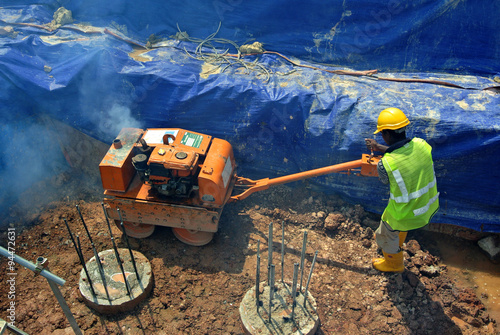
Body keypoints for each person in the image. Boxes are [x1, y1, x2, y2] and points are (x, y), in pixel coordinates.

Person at [365, 108, 439, 273]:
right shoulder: (422, 145)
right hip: (427, 205)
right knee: (399, 228)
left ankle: (393, 265)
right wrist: (378, 147)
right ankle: (397, 243)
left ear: (387, 135)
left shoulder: (386, 164)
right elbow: (404, 152)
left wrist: (380, 163)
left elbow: (385, 179)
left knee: (383, 235)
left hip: (404, 213)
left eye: (382, 135)